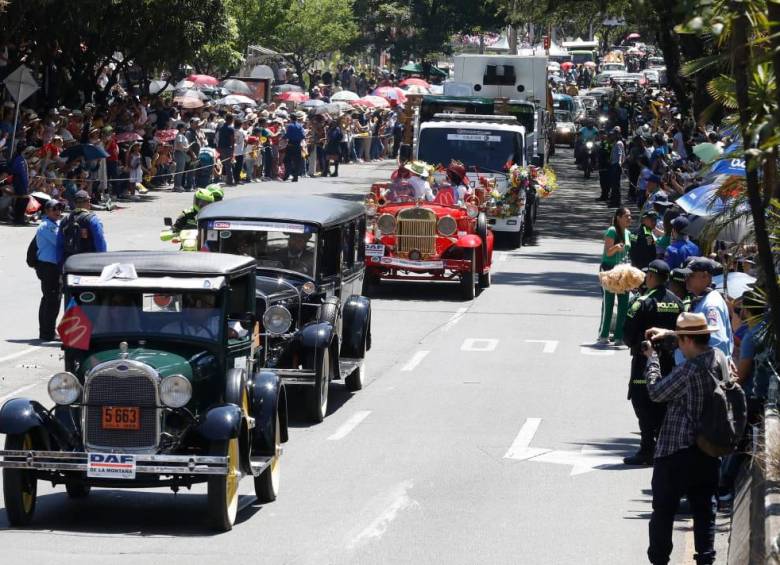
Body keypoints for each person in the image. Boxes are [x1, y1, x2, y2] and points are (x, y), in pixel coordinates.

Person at [644, 312, 724, 565]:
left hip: (677, 451)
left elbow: (657, 392)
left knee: (663, 512)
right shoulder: (719, 359)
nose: (677, 344)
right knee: (704, 511)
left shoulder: (690, 369)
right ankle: (706, 559)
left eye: (680, 340)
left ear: (688, 340)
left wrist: (652, 359)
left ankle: (659, 560)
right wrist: (669, 334)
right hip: (709, 450)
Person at [622, 260, 683, 465]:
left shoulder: (641, 302)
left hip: (644, 362)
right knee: (664, 406)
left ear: (650, 277)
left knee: (642, 403)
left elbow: (627, 337)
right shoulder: (677, 302)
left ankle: (647, 449)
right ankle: (661, 447)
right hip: (670, 363)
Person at [675, 257, 733, 364]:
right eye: (686, 276)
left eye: (691, 275)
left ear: (705, 276)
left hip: (705, 372)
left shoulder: (711, 305)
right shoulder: (702, 299)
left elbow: (717, 343)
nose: (686, 279)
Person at [598, 207, 632, 345]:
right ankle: (604, 334)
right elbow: (608, 252)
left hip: (623, 270)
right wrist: (617, 247)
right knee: (609, 302)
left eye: (630, 216)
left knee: (624, 304)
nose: (629, 219)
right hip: (610, 270)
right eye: (626, 216)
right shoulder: (612, 231)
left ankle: (619, 336)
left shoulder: (628, 232)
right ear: (618, 217)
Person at [35, 199, 65, 340]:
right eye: (54, 209)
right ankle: (47, 332)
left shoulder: (56, 223)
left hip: (53, 266)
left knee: (50, 299)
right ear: (47, 211)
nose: (58, 212)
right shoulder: (46, 226)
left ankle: (46, 331)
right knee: (52, 300)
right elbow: (60, 241)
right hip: (48, 267)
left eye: (60, 208)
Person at [57, 190, 107, 262]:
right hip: (89, 261)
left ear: (74, 203)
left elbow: (59, 244)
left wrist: (60, 263)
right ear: (88, 202)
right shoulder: (92, 219)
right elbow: (100, 241)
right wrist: (103, 260)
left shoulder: (65, 220)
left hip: (71, 261)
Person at [283, 113, 305, 182]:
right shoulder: (300, 126)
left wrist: (283, 138)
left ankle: (287, 175)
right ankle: (295, 177)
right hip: (297, 145)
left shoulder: (290, 126)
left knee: (287, 160)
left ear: (291, 119)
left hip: (291, 145)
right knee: (297, 161)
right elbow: (303, 136)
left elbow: (287, 135)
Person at [608, 126, 625, 207]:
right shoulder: (615, 143)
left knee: (615, 185)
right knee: (613, 184)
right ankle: (614, 201)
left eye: (614, 134)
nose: (612, 136)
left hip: (616, 166)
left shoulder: (619, 143)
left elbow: (620, 154)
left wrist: (619, 164)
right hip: (613, 165)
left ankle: (615, 202)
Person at [217, 114, 235, 186]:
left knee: (223, 164)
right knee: (228, 165)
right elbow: (232, 140)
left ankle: (222, 179)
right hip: (227, 148)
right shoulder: (230, 129)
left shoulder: (221, 128)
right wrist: (233, 149)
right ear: (231, 120)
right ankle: (230, 181)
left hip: (221, 148)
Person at [173, 122, 190, 192]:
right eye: (184, 127)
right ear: (181, 128)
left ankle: (178, 185)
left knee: (181, 170)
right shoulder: (179, 135)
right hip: (179, 152)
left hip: (182, 153)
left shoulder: (182, 135)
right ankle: (177, 186)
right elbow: (179, 144)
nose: (185, 129)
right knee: (179, 170)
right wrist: (185, 148)